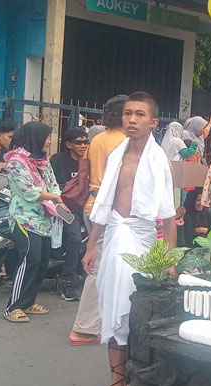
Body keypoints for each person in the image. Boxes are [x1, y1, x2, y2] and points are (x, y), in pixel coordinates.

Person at [76, 92, 177, 386]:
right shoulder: (116, 153)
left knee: (131, 315)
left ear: (153, 122)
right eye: (128, 114)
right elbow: (104, 204)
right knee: (113, 310)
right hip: (115, 237)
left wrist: (170, 261)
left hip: (142, 239)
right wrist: (92, 245)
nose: (132, 119)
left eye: (140, 115)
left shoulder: (157, 158)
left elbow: (168, 214)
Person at [68, 95, 128, 346]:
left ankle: (98, 323)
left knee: (103, 266)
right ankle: (84, 328)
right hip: (109, 210)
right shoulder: (125, 143)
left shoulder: (98, 140)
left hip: (91, 206)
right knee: (99, 268)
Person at [3, 122, 63, 323]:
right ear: (34, 138)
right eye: (46, 137)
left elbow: (53, 183)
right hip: (23, 218)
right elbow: (29, 191)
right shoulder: (16, 162)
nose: (49, 141)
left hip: (43, 219)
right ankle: (13, 306)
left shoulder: (43, 161)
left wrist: (57, 197)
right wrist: (54, 198)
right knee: (30, 259)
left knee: (42, 261)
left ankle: (28, 301)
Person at [50, 126, 88, 301]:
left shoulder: (89, 161)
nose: (83, 145)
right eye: (79, 142)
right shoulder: (57, 160)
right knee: (75, 237)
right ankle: (67, 280)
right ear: (68, 144)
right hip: (60, 206)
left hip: (85, 207)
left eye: (85, 142)